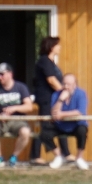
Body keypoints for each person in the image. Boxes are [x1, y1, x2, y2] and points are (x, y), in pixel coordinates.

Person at [0, 62, 34, 168]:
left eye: (2, 74)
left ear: (10, 74)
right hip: (1, 121)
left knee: (26, 132)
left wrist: (14, 108)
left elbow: (29, 106)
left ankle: (14, 157)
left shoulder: (21, 87)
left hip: (18, 120)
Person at [44, 73, 90, 170]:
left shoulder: (81, 93)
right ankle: (58, 156)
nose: (66, 86)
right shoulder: (57, 94)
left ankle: (79, 158)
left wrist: (62, 115)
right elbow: (53, 112)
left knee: (83, 130)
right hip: (60, 125)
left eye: (68, 84)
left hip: (75, 124)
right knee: (44, 133)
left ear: (75, 85)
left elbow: (80, 112)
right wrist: (61, 100)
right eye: (64, 84)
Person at [32, 36, 65, 165]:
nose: (59, 47)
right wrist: (63, 91)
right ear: (51, 47)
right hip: (46, 98)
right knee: (44, 126)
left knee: (58, 123)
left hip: (53, 99)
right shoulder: (44, 61)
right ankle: (35, 156)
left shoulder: (50, 62)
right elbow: (51, 80)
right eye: (57, 45)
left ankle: (66, 153)